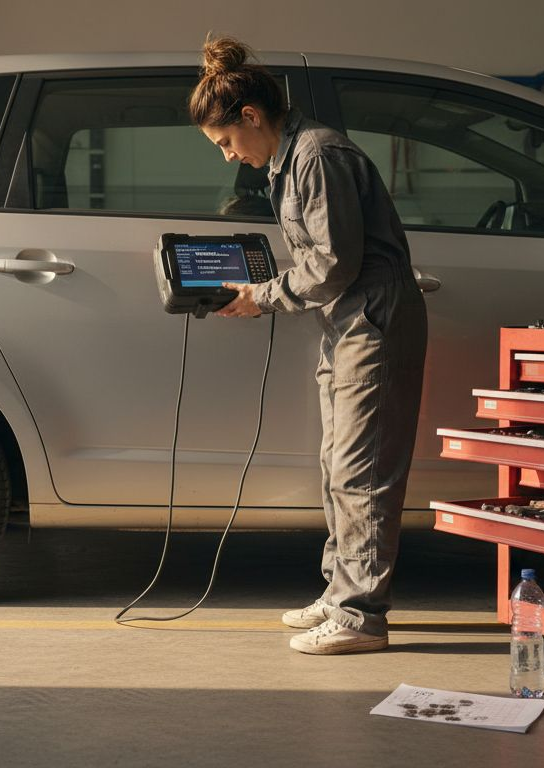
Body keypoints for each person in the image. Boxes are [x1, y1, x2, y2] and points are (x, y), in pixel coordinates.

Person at [190, 35, 428, 655]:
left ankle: (360, 617)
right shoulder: (290, 159)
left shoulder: (318, 155)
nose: (226, 156)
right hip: (347, 325)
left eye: (224, 143)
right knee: (336, 467)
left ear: (250, 117)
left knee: (362, 471)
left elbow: (331, 263)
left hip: (370, 320)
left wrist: (263, 294)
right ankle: (340, 590)